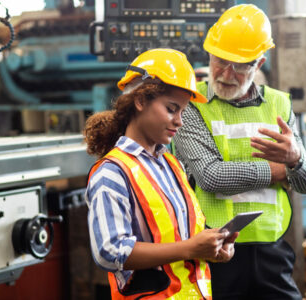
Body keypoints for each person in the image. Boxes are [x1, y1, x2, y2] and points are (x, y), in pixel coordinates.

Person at [172, 4, 306, 300]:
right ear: (209, 54)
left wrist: (297, 161)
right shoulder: (192, 106)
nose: (226, 74)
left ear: (259, 63)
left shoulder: (279, 106)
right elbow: (211, 176)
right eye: (220, 61)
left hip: (272, 251)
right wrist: (279, 171)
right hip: (215, 250)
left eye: (240, 66)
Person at [84, 48, 238, 300]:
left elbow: (180, 237)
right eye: (171, 108)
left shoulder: (171, 164)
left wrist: (211, 247)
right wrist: (188, 249)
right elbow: (110, 251)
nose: (179, 121)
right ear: (140, 100)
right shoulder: (112, 172)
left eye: (182, 112)